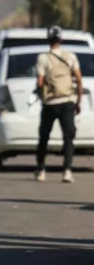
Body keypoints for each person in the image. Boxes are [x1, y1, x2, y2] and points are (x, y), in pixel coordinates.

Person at [35, 26, 82, 183]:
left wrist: (42, 96)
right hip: (67, 101)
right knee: (68, 137)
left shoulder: (43, 58)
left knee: (44, 136)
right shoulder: (71, 57)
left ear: (48, 40)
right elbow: (79, 79)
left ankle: (41, 169)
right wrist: (78, 101)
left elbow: (40, 81)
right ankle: (67, 171)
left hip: (50, 103)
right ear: (61, 40)